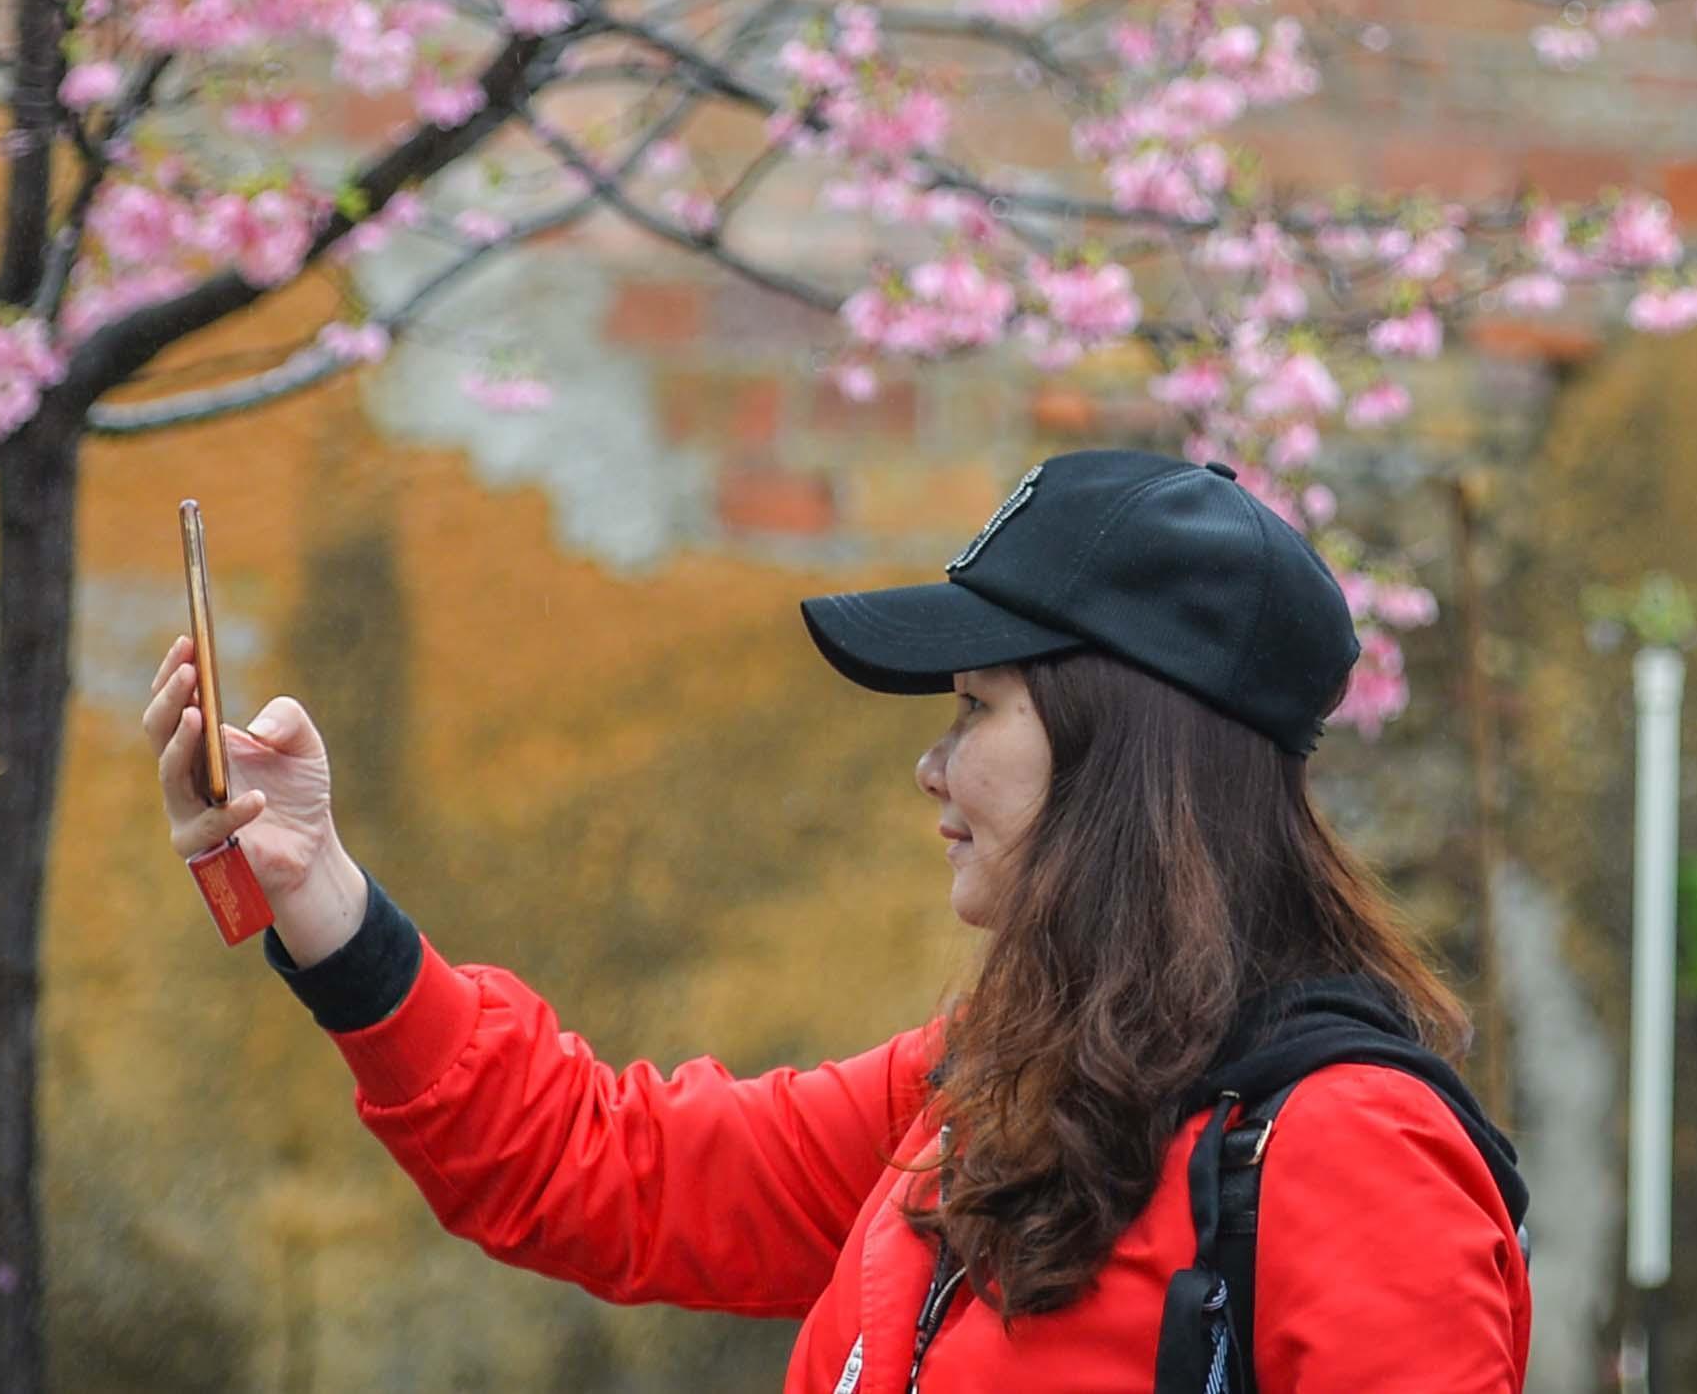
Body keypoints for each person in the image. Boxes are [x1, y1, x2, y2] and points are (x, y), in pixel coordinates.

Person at [147, 449, 1529, 1394]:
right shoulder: (989, 1077)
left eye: (975, 709)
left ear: (1125, 752)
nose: (932, 766)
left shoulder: (1351, 1153)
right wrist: (318, 887)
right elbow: (601, 1167)